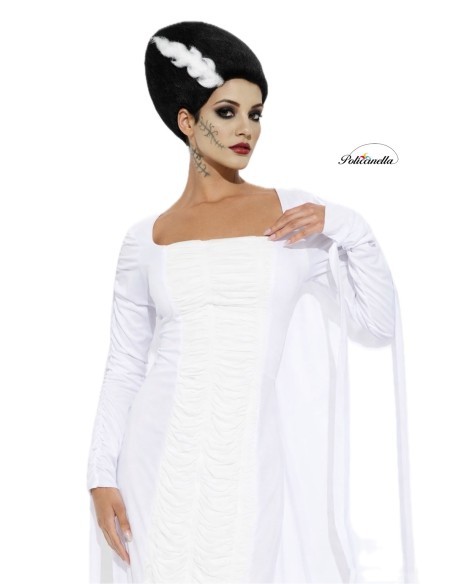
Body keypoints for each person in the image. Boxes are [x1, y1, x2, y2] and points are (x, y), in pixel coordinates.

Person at [86, 21, 417, 584]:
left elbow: (377, 323)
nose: (247, 129)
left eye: (256, 113)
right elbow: (124, 366)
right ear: (186, 122)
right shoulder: (146, 239)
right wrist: (100, 475)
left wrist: (349, 226)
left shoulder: (295, 215)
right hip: (154, 458)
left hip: (246, 465)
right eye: (227, 112)